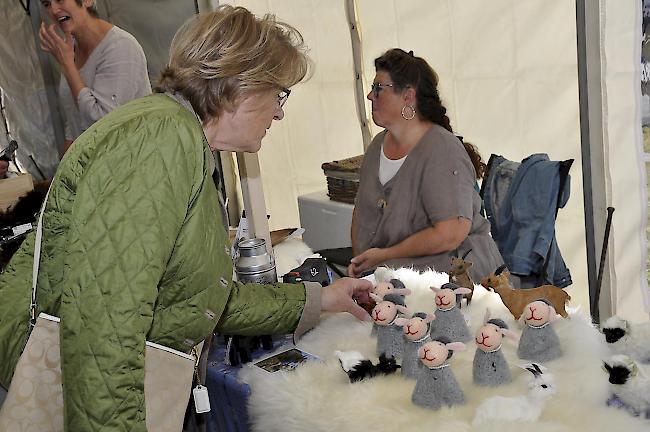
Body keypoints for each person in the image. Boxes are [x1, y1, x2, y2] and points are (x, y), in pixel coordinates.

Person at [0, 6, 372, 431]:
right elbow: (103, 327)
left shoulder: (180, 137)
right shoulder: (160, 141)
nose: (279, 113)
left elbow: (203, 299)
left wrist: (321, 299)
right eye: (279, 94)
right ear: (241, 87)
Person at [348, 48, 504, 281]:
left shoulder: (442, 150)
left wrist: (384, 256)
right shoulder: (377, 147)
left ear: (408, 96)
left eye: (379, 88)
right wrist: (360, 264)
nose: (371, 96)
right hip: (392, 278)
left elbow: (450, 233)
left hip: (451, 283)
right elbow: (361, 213)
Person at [39, 0, 151, 151]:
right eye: (46, 4)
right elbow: (74, 112)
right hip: (96, 167)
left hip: (128, 166)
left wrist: (68, 66)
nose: (53, 9)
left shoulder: (120, 47)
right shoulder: (70, 49)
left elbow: (103, 124)